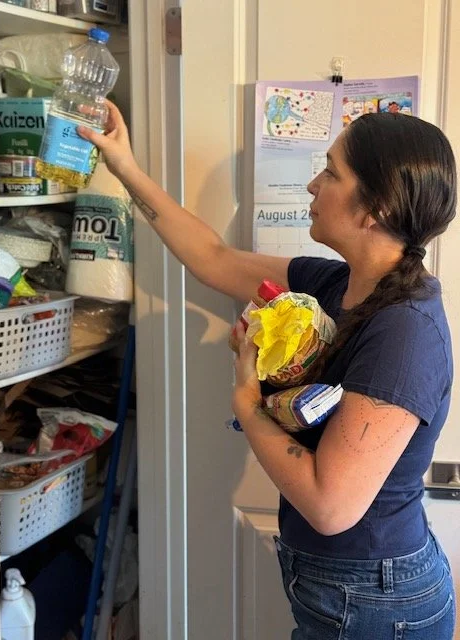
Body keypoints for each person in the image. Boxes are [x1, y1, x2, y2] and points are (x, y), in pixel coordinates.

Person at [79, 105, 456, 639]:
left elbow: (329, 505)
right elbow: (213, 258)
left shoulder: (404, 333)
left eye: (331, 173)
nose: (312, 184)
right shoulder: (337, 283)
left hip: (375, 600)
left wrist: (247, 401)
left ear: (378, 208)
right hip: (347, 589)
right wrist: (125, 168)